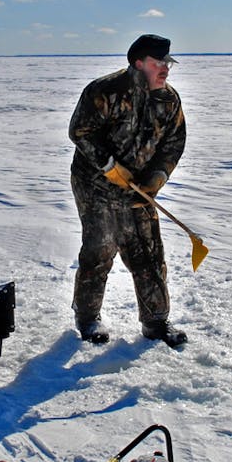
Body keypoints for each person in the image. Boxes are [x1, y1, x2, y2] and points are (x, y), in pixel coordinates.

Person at [68, 34, 188, 348]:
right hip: (95, 185)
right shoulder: (104, 91)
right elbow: (79, 131)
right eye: (157, 63)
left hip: (138, 188)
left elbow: (174, 143)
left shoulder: (169, 100)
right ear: (138, 63)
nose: (165, 68)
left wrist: (156, 179)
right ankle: (88, 318)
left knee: (148, 250)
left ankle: (156, 322)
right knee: (100, 249)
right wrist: (109, 166)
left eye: (167, 62)